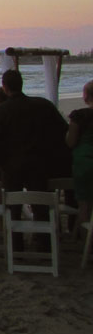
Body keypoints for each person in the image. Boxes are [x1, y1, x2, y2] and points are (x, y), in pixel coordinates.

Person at [0, 69, 68, 251]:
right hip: (40, 163)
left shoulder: (1, 110)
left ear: (5, 87)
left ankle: (16, 247)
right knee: (40, 205)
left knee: (13, 207)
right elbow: (62, 131)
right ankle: (45, 244)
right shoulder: (43, 105)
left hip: (12, 165)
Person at [66, 80, 93, 226]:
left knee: (84, 205)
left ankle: (85, 243)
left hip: (84, 162)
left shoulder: (79, 116)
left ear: (86, 97)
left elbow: (71, 142)